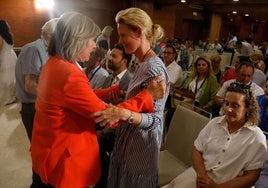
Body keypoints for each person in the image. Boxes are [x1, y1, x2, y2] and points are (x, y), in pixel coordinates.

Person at [30, 12, 166, 188]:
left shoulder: (56, 63)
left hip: (48, 149)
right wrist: (146, 96)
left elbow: (80, 95)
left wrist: (114, 90)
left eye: (123, 35)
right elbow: (106, 116)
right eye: (92, 40)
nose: (95, 46)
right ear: (77, 41)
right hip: (63, 159)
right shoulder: (69, 72)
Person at [92, 7, 169, 188]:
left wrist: (123, 113)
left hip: (140, 147)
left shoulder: (154, 69)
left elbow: (156, 120)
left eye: (124, 35)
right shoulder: (141, 63)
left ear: (139, 32)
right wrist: (121, 104)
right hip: (128, 141)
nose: (120, 41)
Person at [164, 82, 267, 188]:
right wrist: (203, 177)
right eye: (226, 103)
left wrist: (216, 187)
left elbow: (251, 177)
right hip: (200, 175)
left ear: (248, 108)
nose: (228, 109)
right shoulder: (214, 123)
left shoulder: (256, 137)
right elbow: (196, 150)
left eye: (235, 105)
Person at [15, 17, 58, 188]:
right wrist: (56, 94)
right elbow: (30, 84)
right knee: (41, 155)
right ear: (53, 36)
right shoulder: (34, 49)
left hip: (41, 107)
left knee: (46, 155)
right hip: (33, 108)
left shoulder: (47, 50)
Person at [95, 43, 132, 188]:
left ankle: (104, 180)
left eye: (114, 56)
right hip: (104, 121)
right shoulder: (108, 79)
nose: (109, 58)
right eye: (110, 55)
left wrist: (102, 133)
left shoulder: (130, 82)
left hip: (119, 131)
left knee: (92, 142)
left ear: (124, 62)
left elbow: (126, 117)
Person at [0, 20, 17, 106]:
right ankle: (11, 96)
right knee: (12, 76)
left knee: (4, 77)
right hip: (12, 55)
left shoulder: (0, 37)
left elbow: (0, 48)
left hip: (5, 57)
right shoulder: (10, 35)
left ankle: (6, 98)